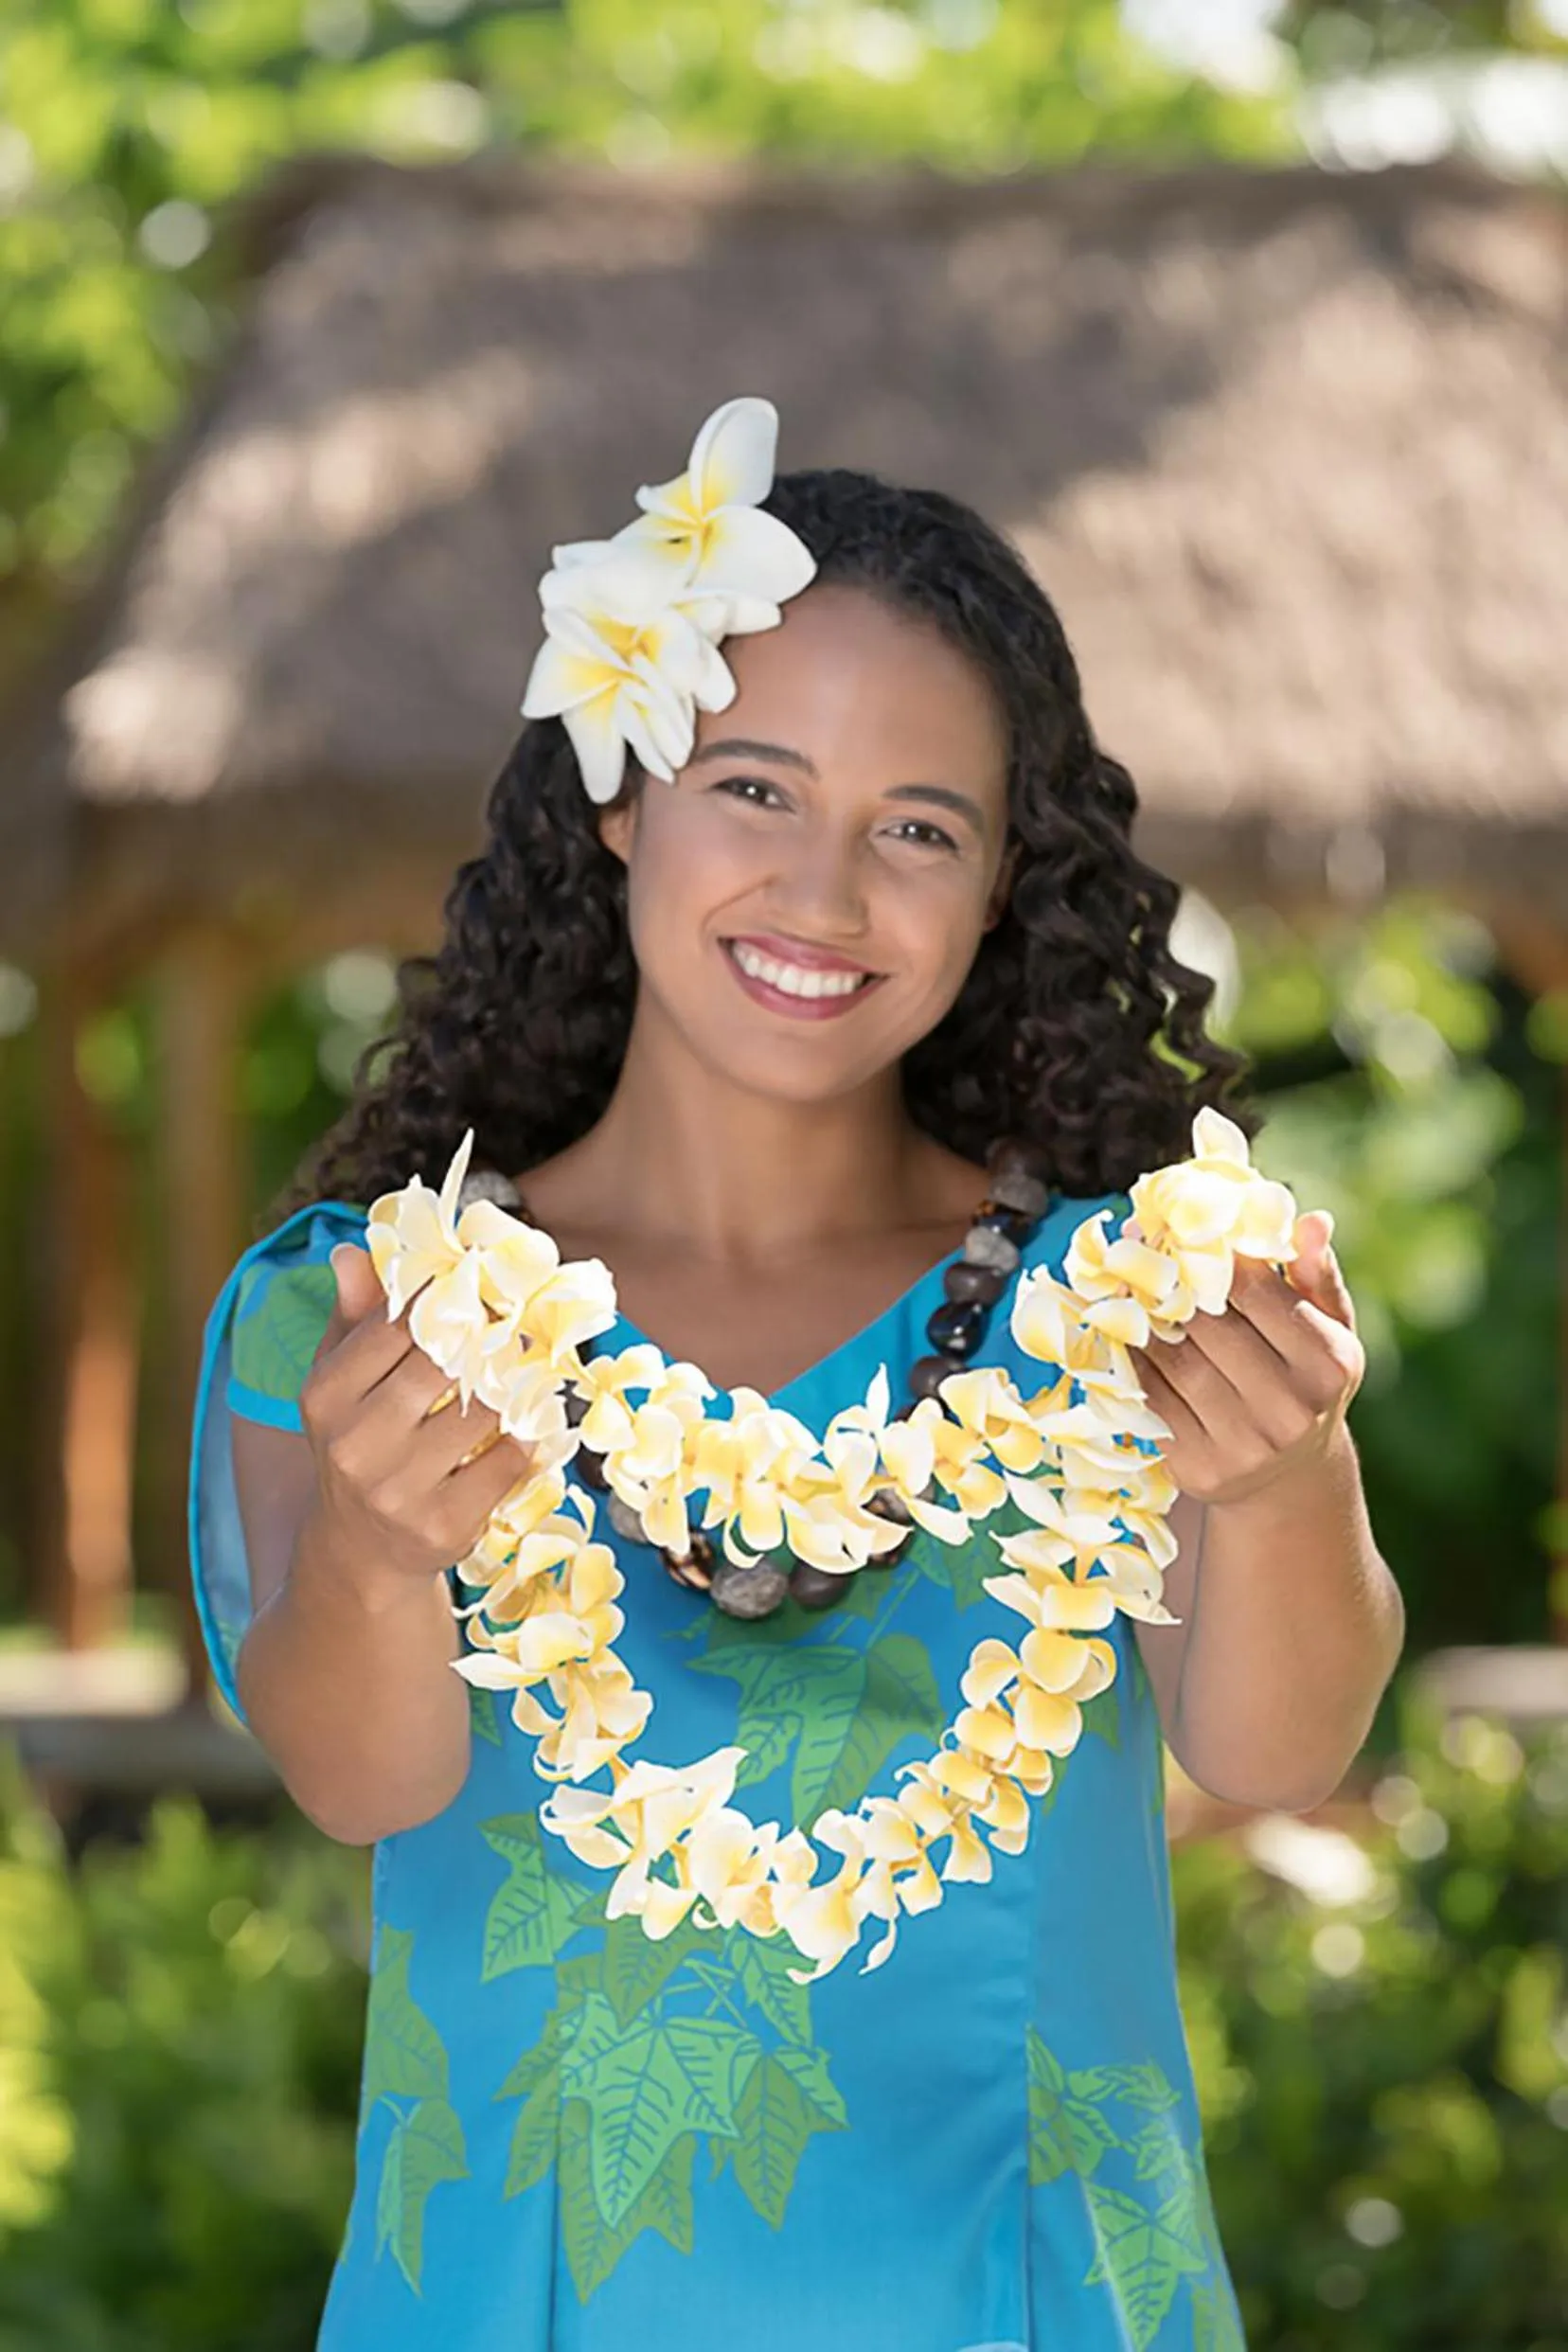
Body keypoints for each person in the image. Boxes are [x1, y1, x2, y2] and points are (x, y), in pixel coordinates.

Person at [187, 399, 1402, 2351]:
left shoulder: (1124, 1300)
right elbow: (361, 1776)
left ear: (1002, 885)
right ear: (620, 793)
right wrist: (365, 1539)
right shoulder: (356, 1315)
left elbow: (1275, 1752)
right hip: (520, 2302)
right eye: (754, 786)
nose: (825, 896)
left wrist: (1282, 1483)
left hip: (1036, 2294)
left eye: (917, 828)